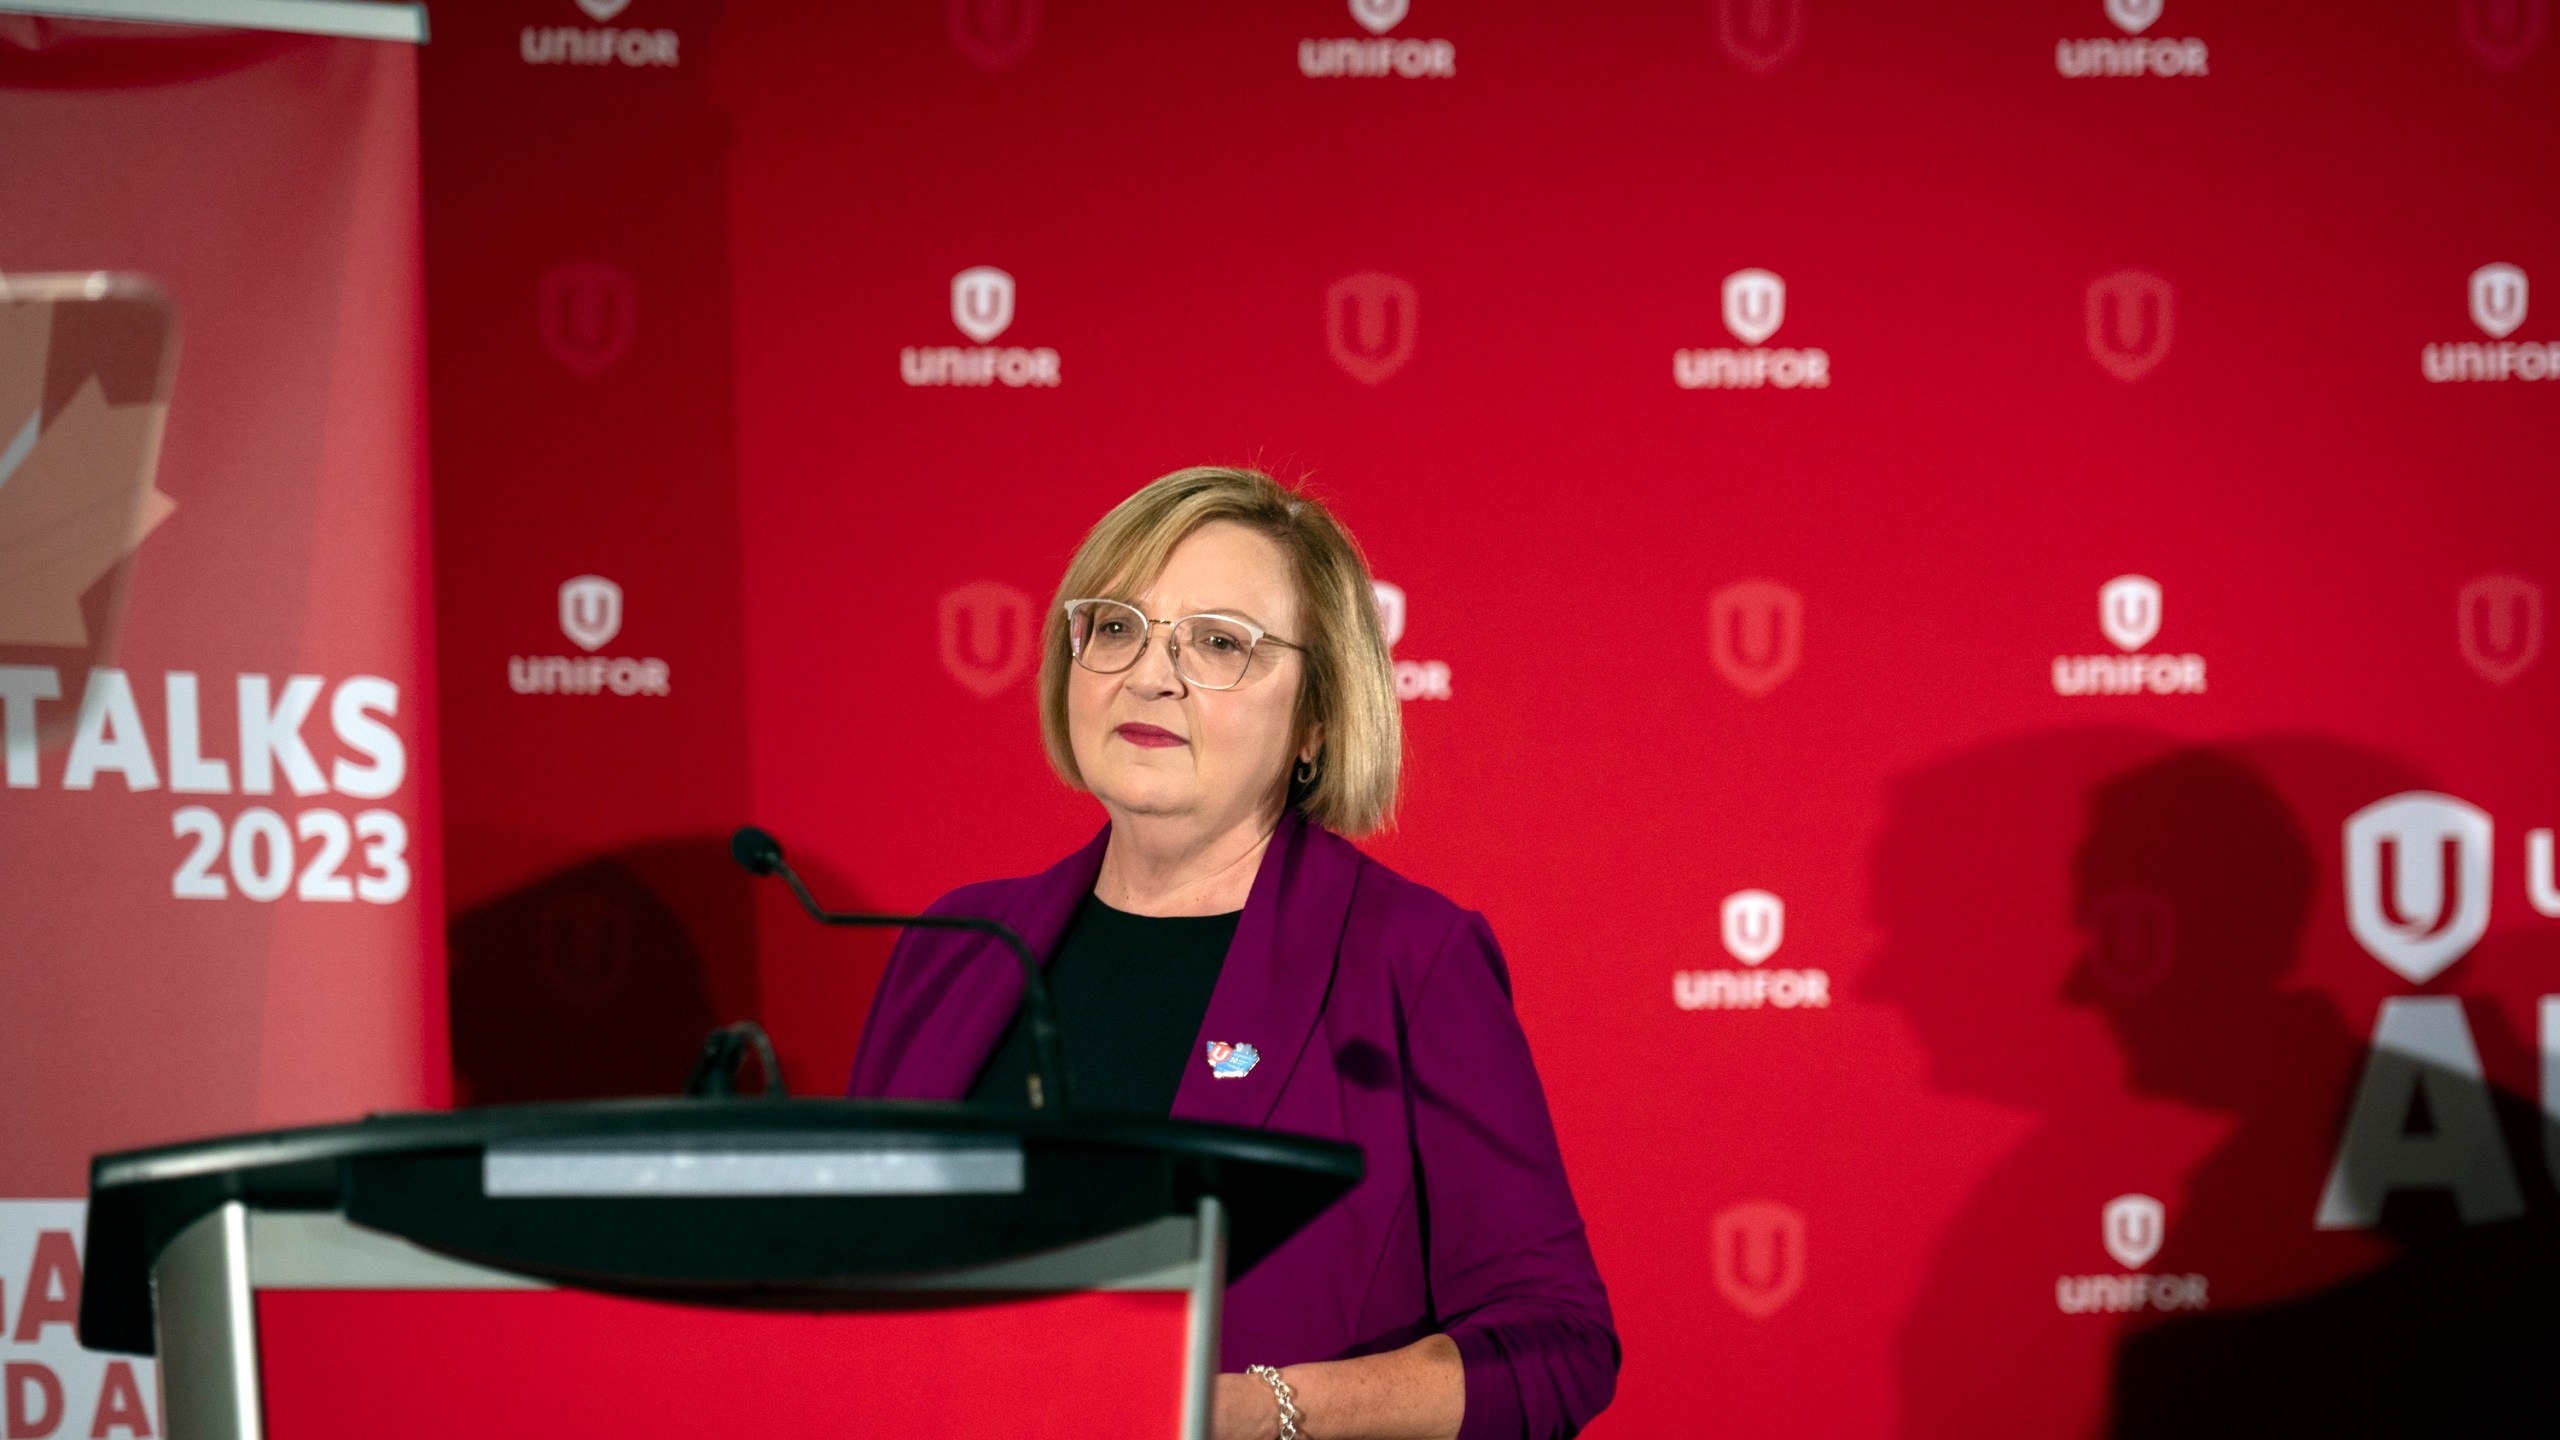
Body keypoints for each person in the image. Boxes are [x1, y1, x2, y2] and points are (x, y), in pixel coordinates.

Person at [848, 467, 1617, 1440]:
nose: (1148, 673)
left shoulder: (1407, 958)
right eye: (1118, 625)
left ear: (1315, 722)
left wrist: (1260, 1412)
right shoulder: (952, 949)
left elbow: (1558, 1346)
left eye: (1218, 643)